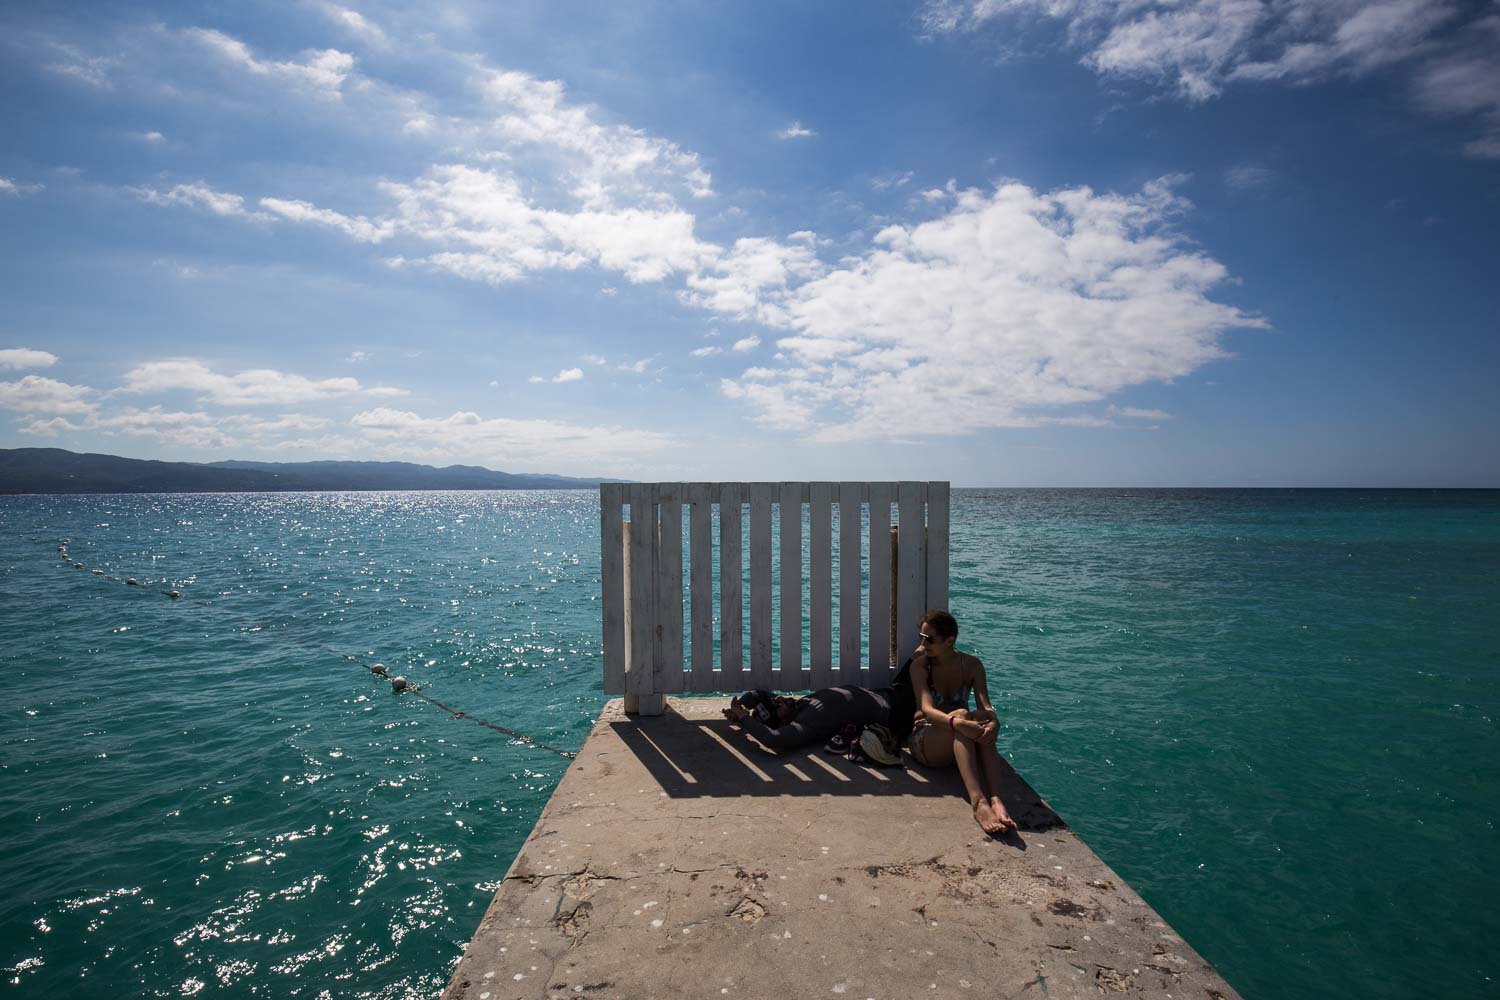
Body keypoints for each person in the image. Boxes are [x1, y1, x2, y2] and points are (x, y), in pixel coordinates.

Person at [908, 609, 1018, 835]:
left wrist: (994, 722)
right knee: (963, 715)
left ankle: (996, 798)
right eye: (921, 637)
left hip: (961, 736)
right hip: (926, 738)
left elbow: (985, 706)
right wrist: (955, 722)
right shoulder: (920, 667)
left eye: (929, 639)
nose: (922, 644)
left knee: (980, 719)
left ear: (950, 640)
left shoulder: (972, 665)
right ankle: (978, 802)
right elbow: (927, 711)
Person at [722, 685, 893, 751]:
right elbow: (772, 739)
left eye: (776, 700)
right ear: (782, 722)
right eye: (777, 706)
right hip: (894, 711)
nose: (779, 699)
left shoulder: (797, 705)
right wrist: (744, 717)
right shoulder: (805, 723)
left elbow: (759, 695)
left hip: (885, 692)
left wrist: (740, 708)